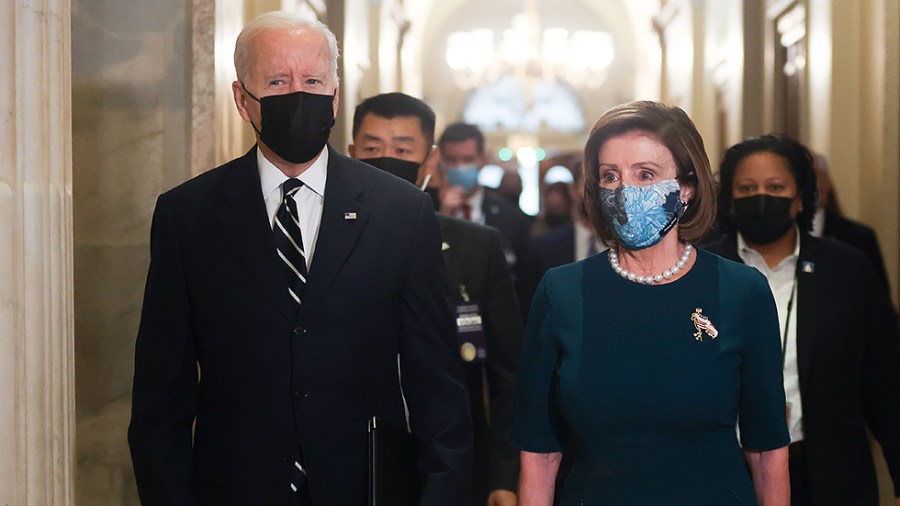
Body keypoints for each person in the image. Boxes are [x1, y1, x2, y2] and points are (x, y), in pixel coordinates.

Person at [127, 13, 472, 506]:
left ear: (334, 95)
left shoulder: (401, 211)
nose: (298, 93)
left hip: (365, 488)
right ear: (242, 100)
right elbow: (161, 395)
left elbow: (438, 388)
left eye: (312, 80)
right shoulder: (188, 215)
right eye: (277, 80)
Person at [512, 101, 790, 505]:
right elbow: (540, 453)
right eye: (611, 176)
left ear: (687, 187)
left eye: (646, 174)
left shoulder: (740, 290)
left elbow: (766, 451)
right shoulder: (563, 291)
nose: (625, 191)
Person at [348, 92, 522, 506]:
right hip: (348, 461)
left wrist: (505, 474)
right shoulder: (324, 238)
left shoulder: (476, 248)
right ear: (352, 154)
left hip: (453, 466)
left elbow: (509, 377)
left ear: (429, 161)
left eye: (403, 148)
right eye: (373, 148)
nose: (387, 158)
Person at [706, 134, 900, 506]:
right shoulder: (702, 271)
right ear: (730, 199)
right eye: (747, 187)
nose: (760, 196)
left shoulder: (846, 270)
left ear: (799, 199)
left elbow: (886, 381)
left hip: (826, 476)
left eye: (775, 186)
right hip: (726, 475)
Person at [437, 123, 533, 305]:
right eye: (452, 160)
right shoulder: (427, 210)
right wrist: (443, 216)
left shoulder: (511, 217)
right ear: (440, 160)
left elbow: (524, 283)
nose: (460, 167)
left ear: (483, 159)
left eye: (468, 159)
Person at [810, 152, 891, 292]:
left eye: (814, 176)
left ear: (827, 183)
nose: (810, 185)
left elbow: (879, 300)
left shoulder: (859, 238)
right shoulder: (778, 236)